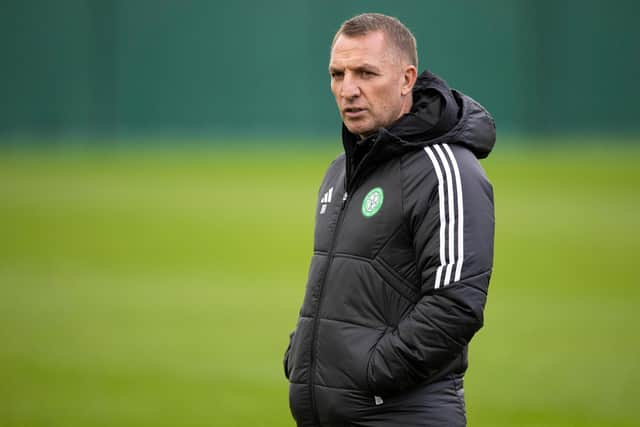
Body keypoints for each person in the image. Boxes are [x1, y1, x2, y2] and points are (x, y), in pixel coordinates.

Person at [283, 13, 495, 427]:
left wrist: (372, 373)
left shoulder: (447, 169)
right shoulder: (339, 171)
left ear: (406, 79)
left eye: (365, 73)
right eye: (337, 74)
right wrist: (302, 354)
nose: (348, 90)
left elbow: (456, 304)